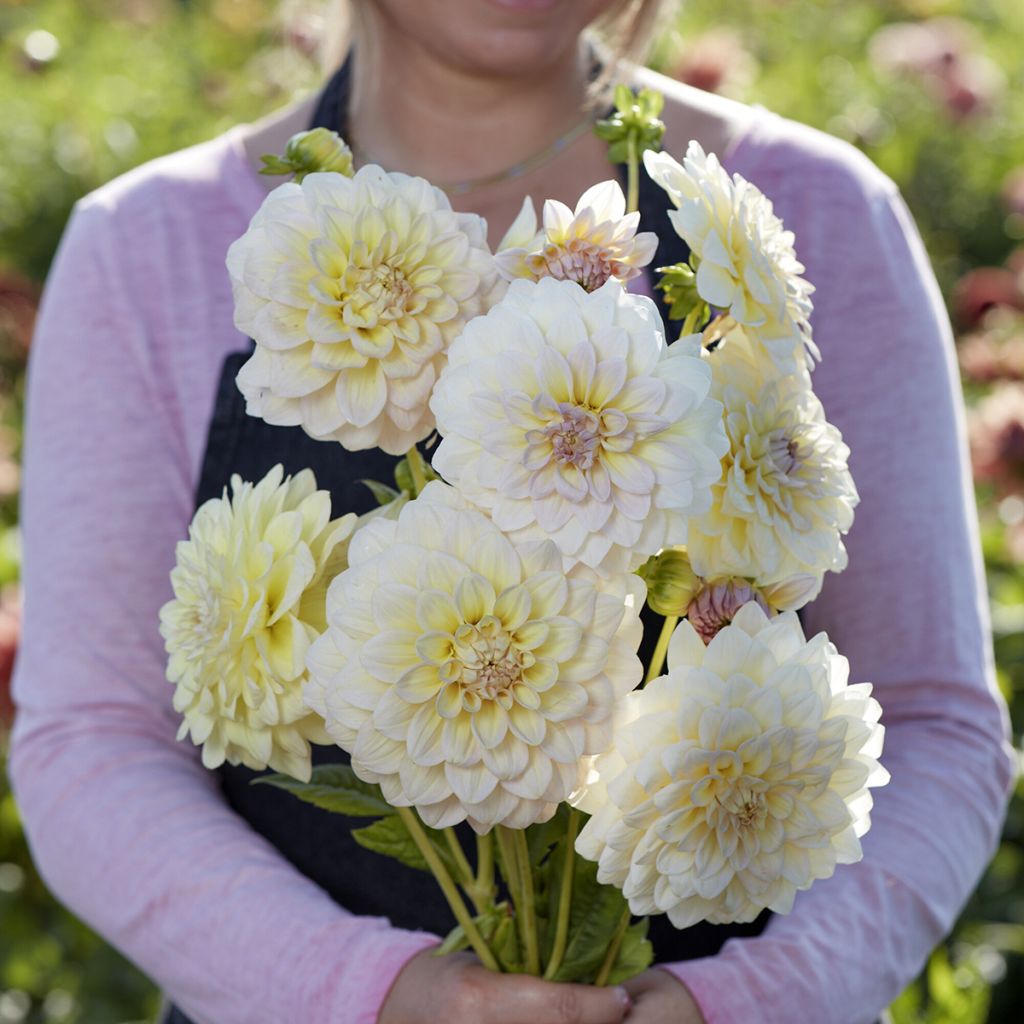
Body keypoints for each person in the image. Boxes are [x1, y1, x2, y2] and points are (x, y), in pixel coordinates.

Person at [10, 1, 1015, 1022]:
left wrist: (746, 1002)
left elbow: (937, 725)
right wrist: (368, 993)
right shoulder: (148, 251)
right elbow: (92, 741)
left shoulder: (815, 211)